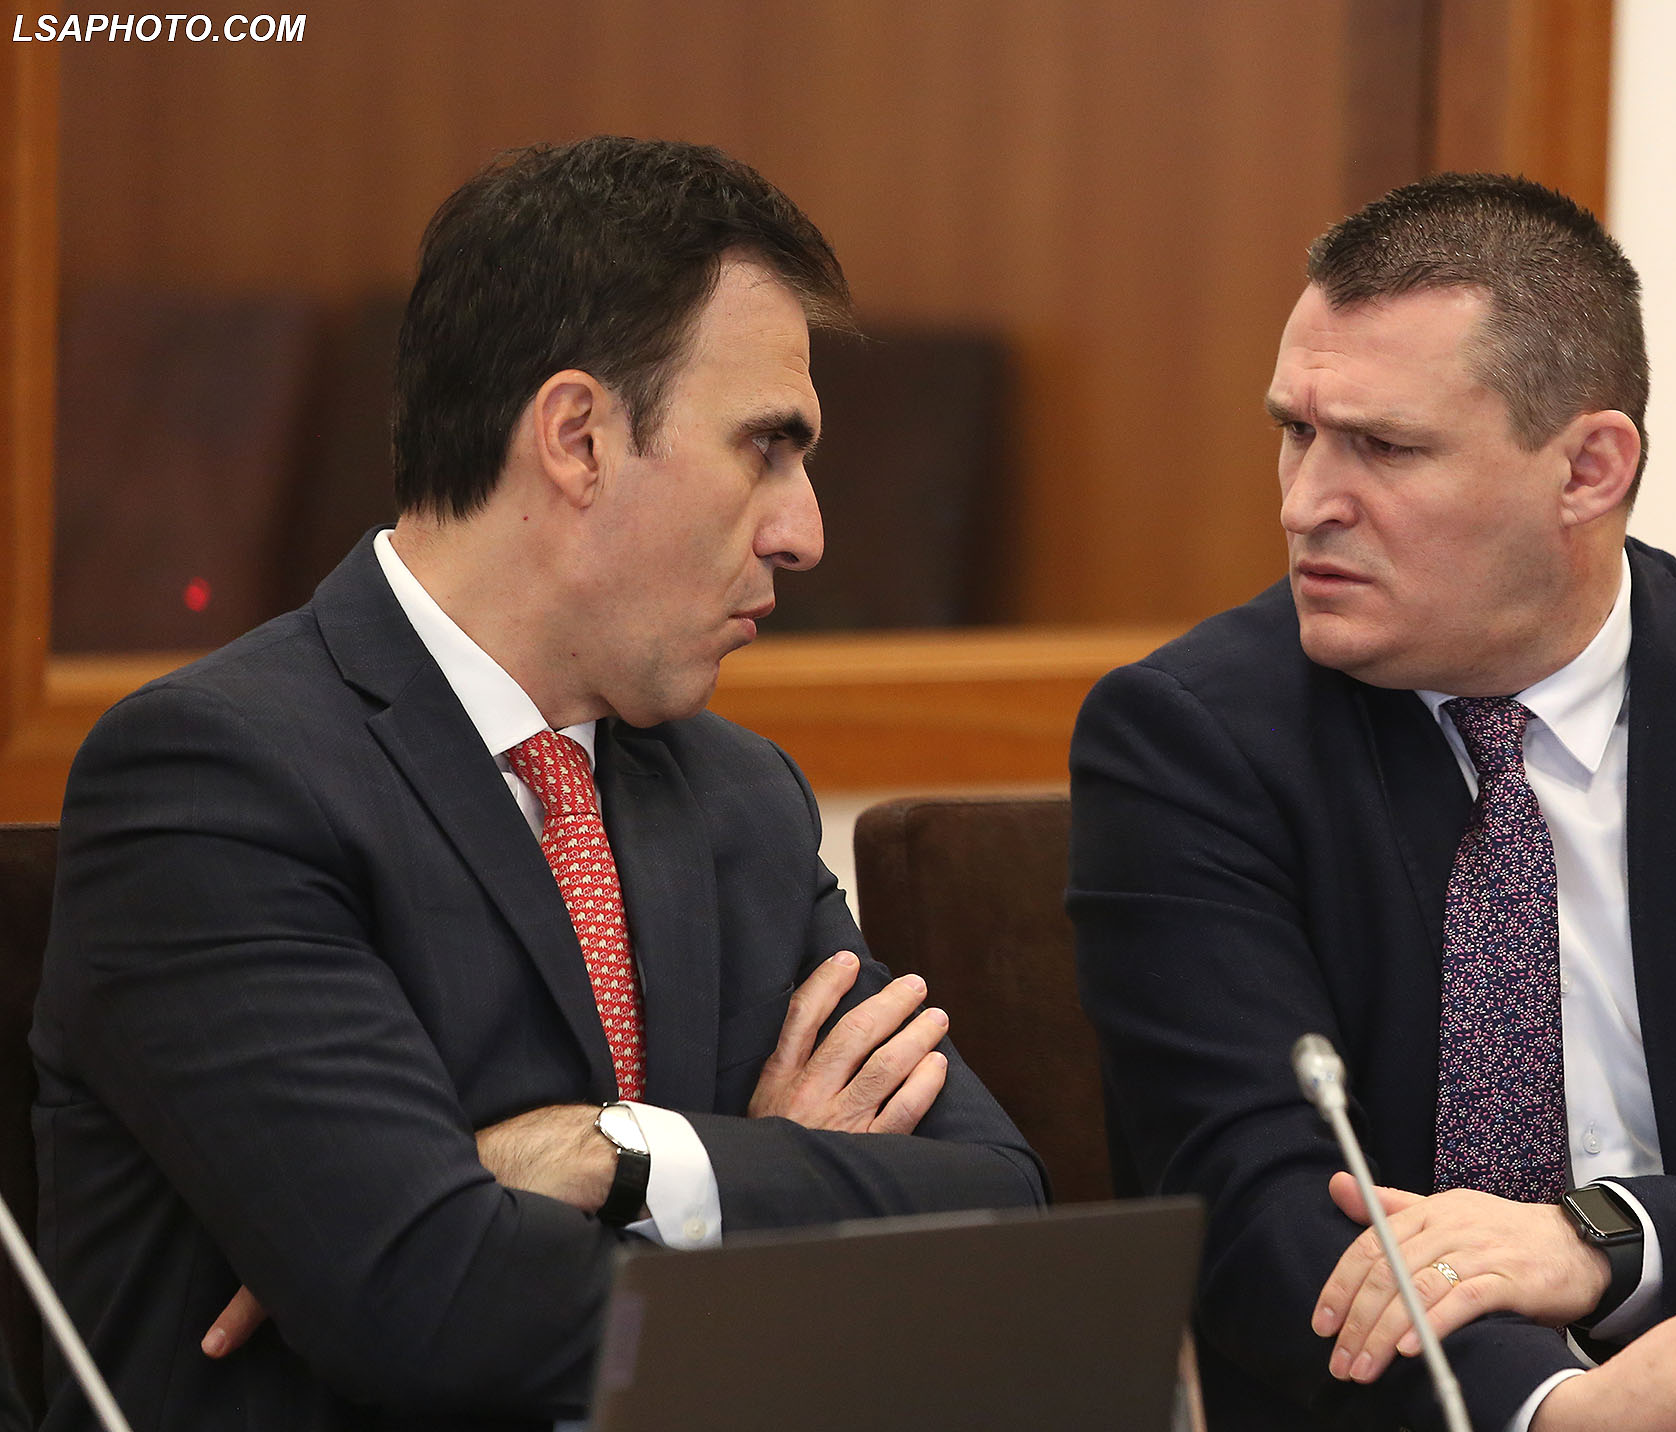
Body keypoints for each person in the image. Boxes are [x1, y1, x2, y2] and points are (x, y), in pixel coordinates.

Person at [32, 136, 1045, 1432]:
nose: (804, 532)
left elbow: (1000, 1218)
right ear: (576, 438)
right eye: (764, 448)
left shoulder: (734, 796)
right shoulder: (218, 781)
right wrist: (762, 1185)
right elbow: (430, 1305)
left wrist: (618, 1152)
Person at [1067, 173, 1676, 1431]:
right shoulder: (1190, 739)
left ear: (1586, 468)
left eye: (1383, 448)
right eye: (1296, 431)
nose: (1303, 503)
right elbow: (1258, 1220)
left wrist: (1599, 1242)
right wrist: (1558, 1411)